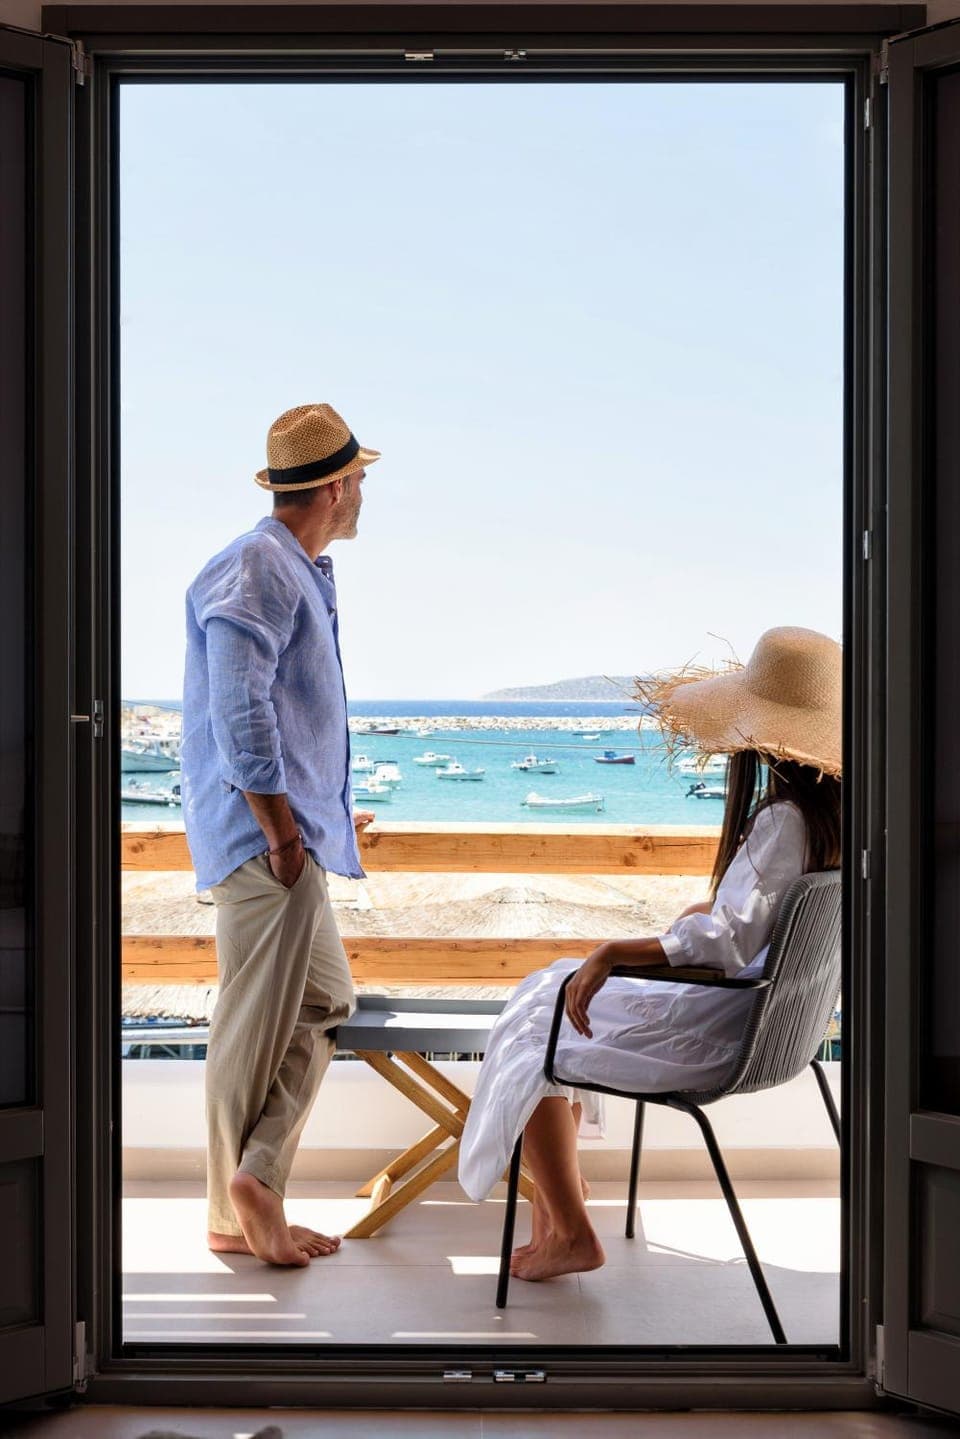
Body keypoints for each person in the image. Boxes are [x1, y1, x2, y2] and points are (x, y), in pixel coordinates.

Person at [458, 626, 842, 1284]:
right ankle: (553, 1218)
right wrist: (707, 917)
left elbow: (727, 943)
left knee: (539, 1027)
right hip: (771, 1026)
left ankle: (571, 1230)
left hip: (722, 1030)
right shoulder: (837, 824)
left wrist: (614, 950)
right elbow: (754, 926)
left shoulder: (783, 819)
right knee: (551, 991)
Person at [180, 402, 380, 1267]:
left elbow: (281, 717)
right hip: (266, 846)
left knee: (323, 999)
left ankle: (256, 1179)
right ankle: (235, 1217)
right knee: (250, 1027)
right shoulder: (260, 565)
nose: (365, 490)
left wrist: (323, 812)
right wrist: (285, 829)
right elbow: (240, 709)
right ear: (333, 486)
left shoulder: (298, 568)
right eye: (360, 477)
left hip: (288, 834)